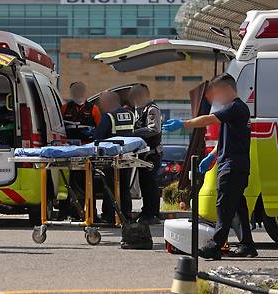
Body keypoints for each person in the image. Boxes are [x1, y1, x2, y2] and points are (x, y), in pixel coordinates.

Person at [163, 73, 257, 260]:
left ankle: (214, 246)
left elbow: (208, 119)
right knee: (238, 206)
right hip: (235, 165)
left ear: (227, 90)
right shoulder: (237, 110)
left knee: (224, 206)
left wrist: (184, 123)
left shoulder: (235, 107)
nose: (215, 98)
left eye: (217, 93)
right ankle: (247, 245)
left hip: (232, 167)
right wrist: (212, 157)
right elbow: (225, 140)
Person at [59, 82, 102, 219]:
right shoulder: (65, 108)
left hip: (87, 151)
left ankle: (90, 213)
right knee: (67, 182)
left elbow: (99, 130)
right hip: (69, 151)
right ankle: (65, 212)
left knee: (88, 183)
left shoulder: (93, 109)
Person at [94, 91, 134, 223]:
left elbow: (98, 137)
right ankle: (126, 216)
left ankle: (109, 216)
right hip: (128, 157)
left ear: (108, 102)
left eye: (101, 103)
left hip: (111, 158)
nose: (100, 106)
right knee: (124, 187)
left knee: (110, 187)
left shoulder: (109, 117)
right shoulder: (131, 114)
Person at [129, 84, 162, 225]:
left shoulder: (152, 109)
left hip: (152, 153)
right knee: (144, 184)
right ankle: (146, 210)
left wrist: (133, 133)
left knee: (150, 184)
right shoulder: (138, 110)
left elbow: (153, 129)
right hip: (143, 153)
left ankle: (153, 213)